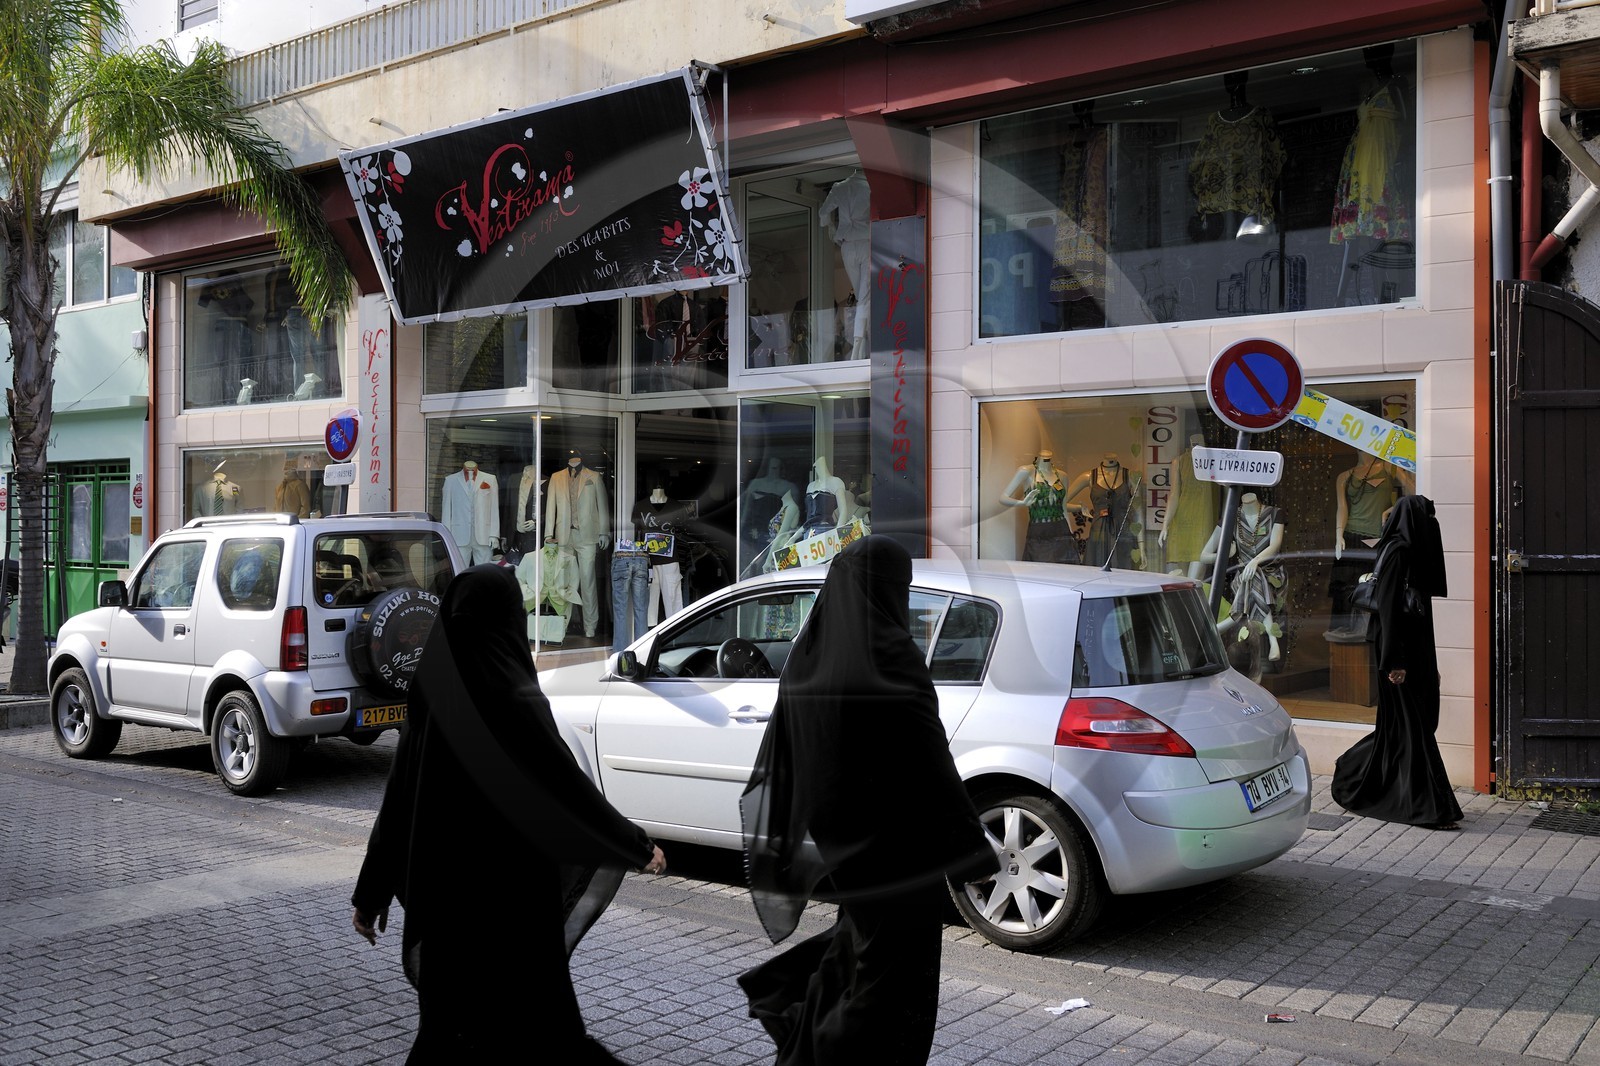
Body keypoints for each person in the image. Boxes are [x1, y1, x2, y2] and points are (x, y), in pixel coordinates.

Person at [350, 564, 667, 1062]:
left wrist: (371, 893)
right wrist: (633, 843)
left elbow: (399, 798)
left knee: (450, 1033)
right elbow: (564, 784)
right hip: (515, 903)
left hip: (449, 903)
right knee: (541, 1035)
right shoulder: (510, 694)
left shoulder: (431, 694)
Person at [738, 536, 997, 1065]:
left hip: (846, 854)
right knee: (892, 989)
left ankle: (809, 1046)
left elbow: (795, 758)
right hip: (901, 861)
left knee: (856, 960)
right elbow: (932, 764)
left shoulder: (808, 663)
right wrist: (973, 850)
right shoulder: (891, 660)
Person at [1330, 495, 1461, 830]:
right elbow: (1388, 611)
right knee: (1411, 727)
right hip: (1398, 657)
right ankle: (1428, 807)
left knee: (1401, 728)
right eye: (1426, 519)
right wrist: (1394, 662)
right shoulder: (1399, 552)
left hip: (1410, 655)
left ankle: (1356, 773)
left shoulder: (1408, 553)